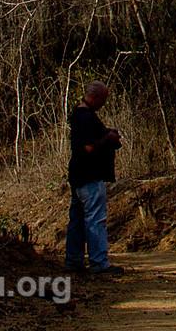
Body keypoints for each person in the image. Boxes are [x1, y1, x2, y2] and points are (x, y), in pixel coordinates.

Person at [64, 80, 123, 275]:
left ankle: (74, 260)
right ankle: (98, 262)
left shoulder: (78, 115)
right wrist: (109, 138)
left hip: (78, 175)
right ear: (96, 97)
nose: (104, 103)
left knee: (78, 219)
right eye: (103, 99)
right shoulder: (86, 117)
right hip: (89, 175)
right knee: (95, 219)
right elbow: (89, 147)